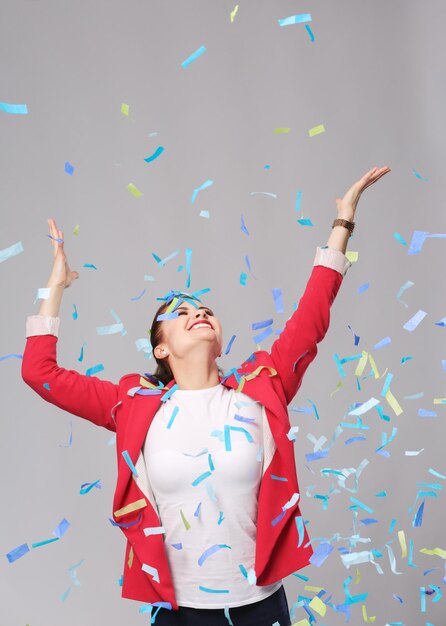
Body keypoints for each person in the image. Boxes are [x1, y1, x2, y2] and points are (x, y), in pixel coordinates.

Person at [22, 166, 391, 626]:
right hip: (178, 611)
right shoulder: (133, 404)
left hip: (260, 604)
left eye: (204, 310)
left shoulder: (263, 387)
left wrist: (343, 224)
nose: (197, 312)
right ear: (160, 347)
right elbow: (39, 373)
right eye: (180, 313)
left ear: (218, 338)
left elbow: (312, 315)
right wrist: (54, 287)